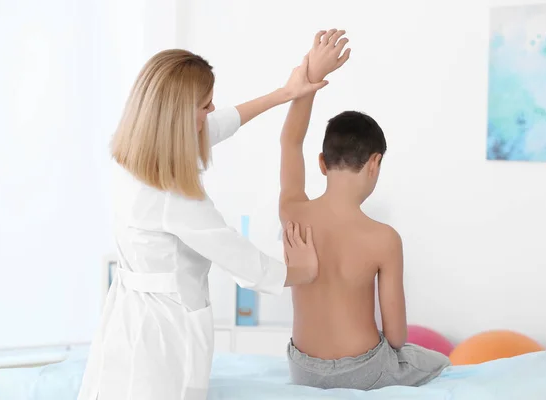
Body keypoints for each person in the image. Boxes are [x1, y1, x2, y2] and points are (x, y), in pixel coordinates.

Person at [77, 48, 325, 400]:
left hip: (130, 319)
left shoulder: (135, 154)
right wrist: (303, 272)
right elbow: (242, 262)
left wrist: (286, 93)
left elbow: (218, 123)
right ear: (178, 116)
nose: (211, 112)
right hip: (164, 333)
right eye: (205, 105)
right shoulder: (172, 195)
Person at [279, 29, 451, 390]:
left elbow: (290, 140)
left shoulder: (294, 212)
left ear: (323, 162)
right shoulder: (384, 238)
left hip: (303, 369)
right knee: (437, 361)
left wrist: (310, 76)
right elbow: (396, 336)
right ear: (375, 163)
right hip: (363, 371)